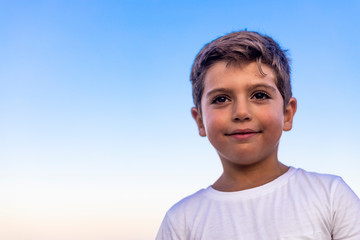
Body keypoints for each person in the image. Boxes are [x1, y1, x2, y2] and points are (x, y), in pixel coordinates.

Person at [156, 31, 360, 239]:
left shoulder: (331, 196)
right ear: (200, 121)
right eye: (221, 99)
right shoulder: (181, 222)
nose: (241, 112)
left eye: (259, 95)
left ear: (287, 114)